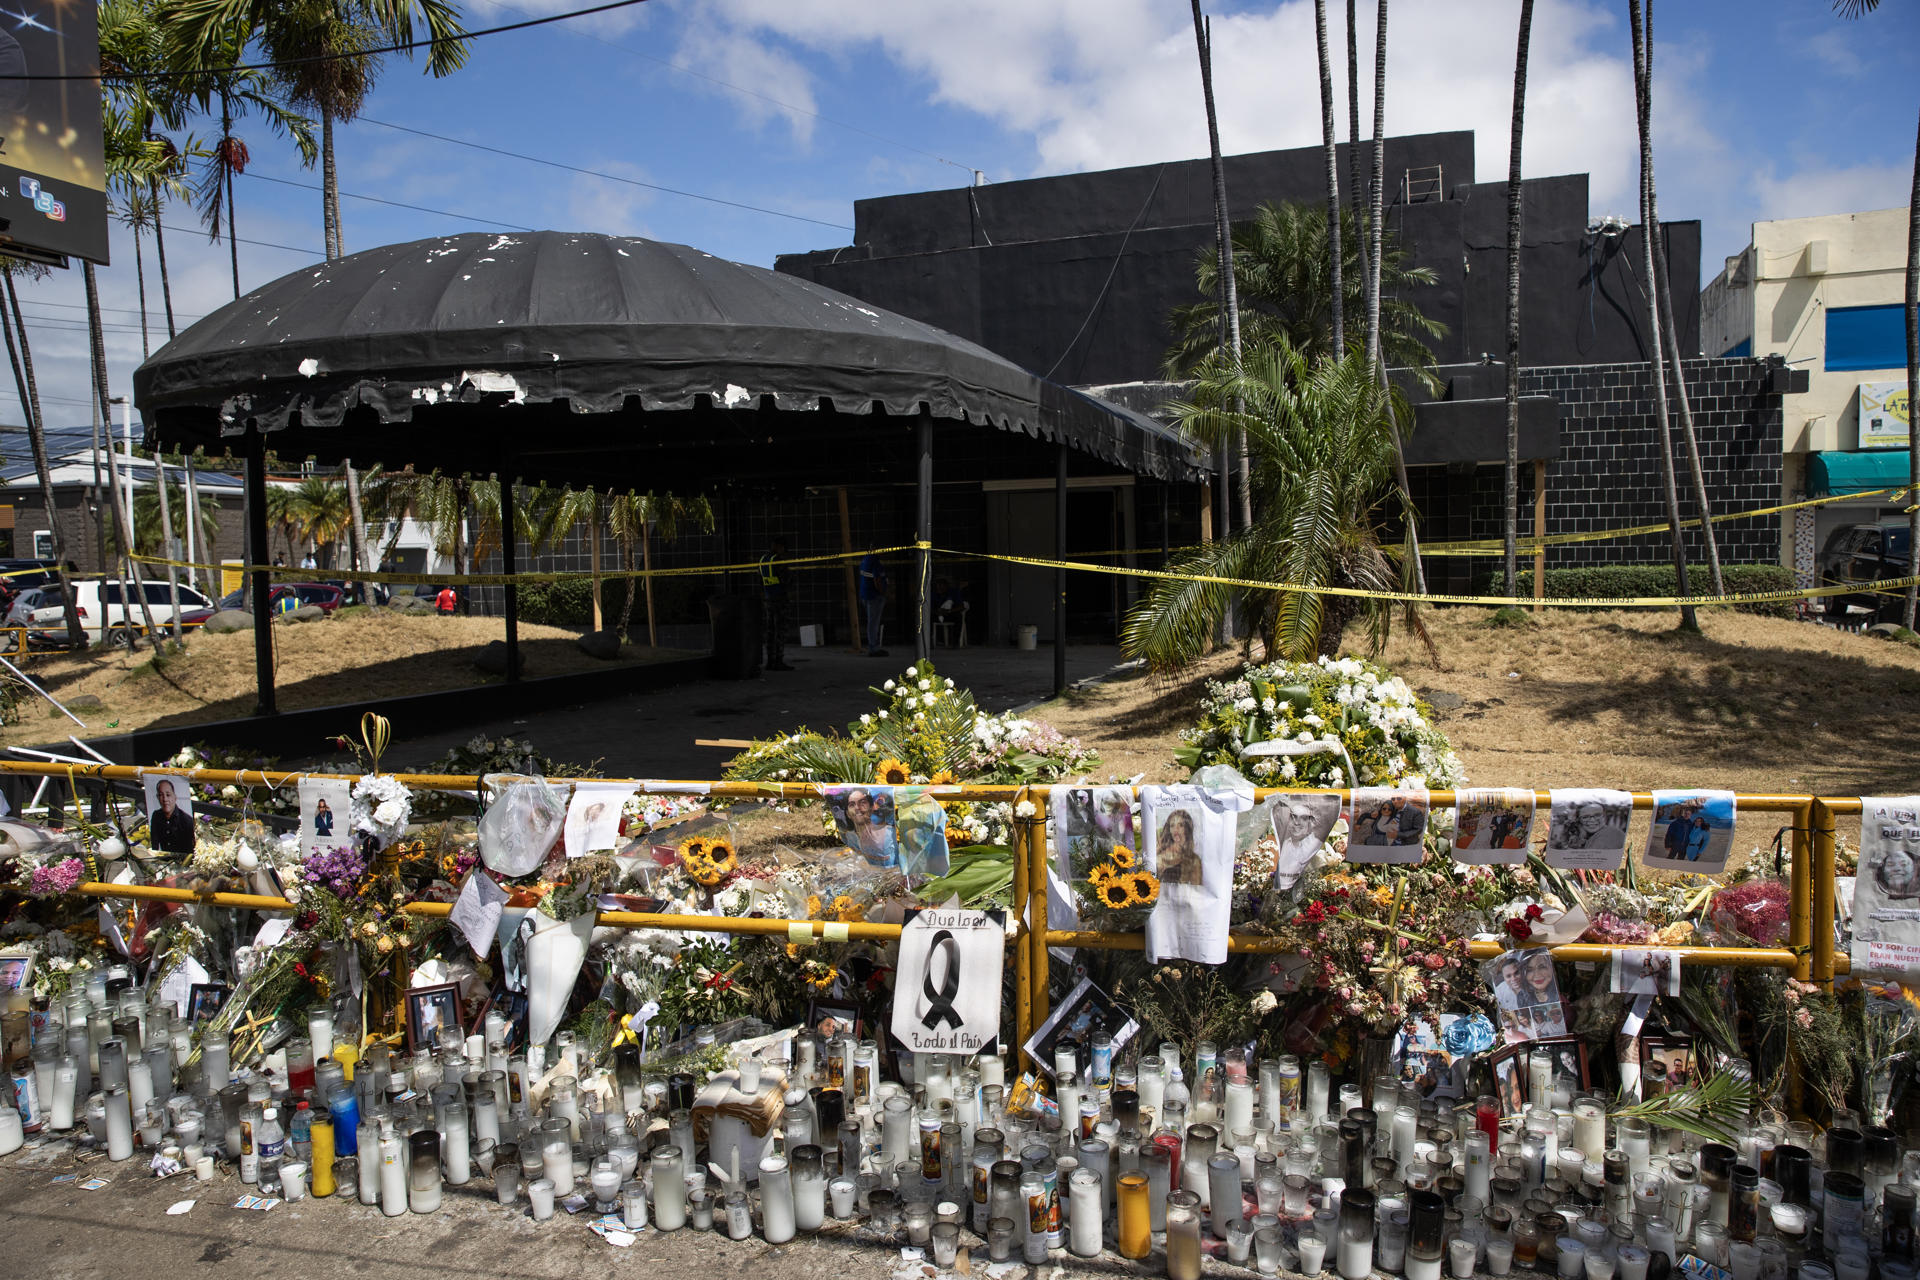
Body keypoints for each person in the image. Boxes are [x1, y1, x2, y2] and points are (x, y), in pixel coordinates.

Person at [759, 536, 793, 672]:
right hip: (780, 599)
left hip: (768, 599)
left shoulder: (763, 560)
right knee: (780, 631)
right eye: (783, 547)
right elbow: (786, 580)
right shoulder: (778, 560)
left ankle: (770, 661)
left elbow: (760, 580)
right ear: (779, 546)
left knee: (770, 631)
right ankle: (778, 661)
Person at [1155, 809, 1203, 886]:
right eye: (1172, 825)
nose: (1175, 829)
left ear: (1187, 828)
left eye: (1180, 825)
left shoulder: (1194, 860)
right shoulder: (1159, 851)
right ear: (1169, 829)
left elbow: (1196, 889)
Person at [149, 779, 195, 854]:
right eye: (161, 795)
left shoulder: (186, 820)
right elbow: (154, 845)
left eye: (168, 795)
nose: (165, 799)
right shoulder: (156, 816)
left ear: (175, 797)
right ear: (157, 797)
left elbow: (191, 850)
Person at [858, 550, 888, 658]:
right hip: (874, 597)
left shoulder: (865, 560)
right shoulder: (876, 563)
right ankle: (873, 648)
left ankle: (873, 647)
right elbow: (877, 581)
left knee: (872, 623)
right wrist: (883, 593)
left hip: (865, 595)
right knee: (873, 623)